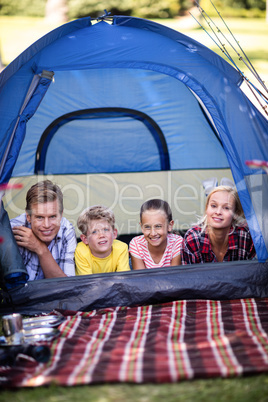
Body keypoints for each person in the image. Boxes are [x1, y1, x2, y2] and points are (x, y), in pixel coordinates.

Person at [10, 180, 76, 280]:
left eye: (53, 216)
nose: (46, 225)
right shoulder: (13, 230)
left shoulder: (67, 230)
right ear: (28, 216)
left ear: (61, 215)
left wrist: (40, 249)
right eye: (40, 217)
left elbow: (67, 287)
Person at [181, 185, 256, 264]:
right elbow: (189, 275)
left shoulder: (245, 236)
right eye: (213, 206)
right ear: (207, 208)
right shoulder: (193, 239)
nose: (218, 212)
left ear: (235, 213)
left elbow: (255, 273)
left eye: (226, 208)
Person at [75, 205, 130, 275]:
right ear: (85, 239)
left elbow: (123, 278)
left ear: (114, 233)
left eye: (106, 230)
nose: (101, 235)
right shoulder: (81, 251)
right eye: (94, 232)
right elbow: (88, 283)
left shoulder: (121, 248)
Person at [129, 199, 183, 270]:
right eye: (147, 227)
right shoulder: (136, 244)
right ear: (141, 227)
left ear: (170, 225)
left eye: (158, 226)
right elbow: (141, 278)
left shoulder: (177, 243)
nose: (153, 233)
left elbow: (174, 277)